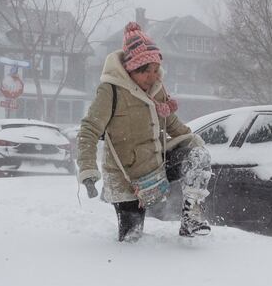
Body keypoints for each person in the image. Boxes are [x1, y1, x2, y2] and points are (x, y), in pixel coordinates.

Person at [76, 22, 212, 242]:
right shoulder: (110, 90)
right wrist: (88, 170)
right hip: (126, 177)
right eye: (145, 71)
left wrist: (197, 145)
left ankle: (192, 218)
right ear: (131, 69)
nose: (153, 76)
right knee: (132, 238)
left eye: (155, 69)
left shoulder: (157, 91)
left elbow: (174, 125)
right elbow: (89, 130)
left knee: (198, 155)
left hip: (157, 165)